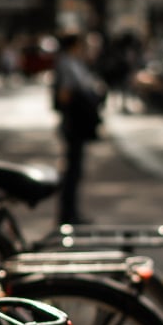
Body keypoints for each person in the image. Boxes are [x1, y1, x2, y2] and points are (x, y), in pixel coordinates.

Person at [52, 32, 106, 224]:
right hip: (74, 124)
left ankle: (70, 212)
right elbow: (64, 95)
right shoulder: (68, 64)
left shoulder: (73, 63)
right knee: (72, 170)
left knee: (75, 169)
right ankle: (68, 214)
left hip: (76, 123)